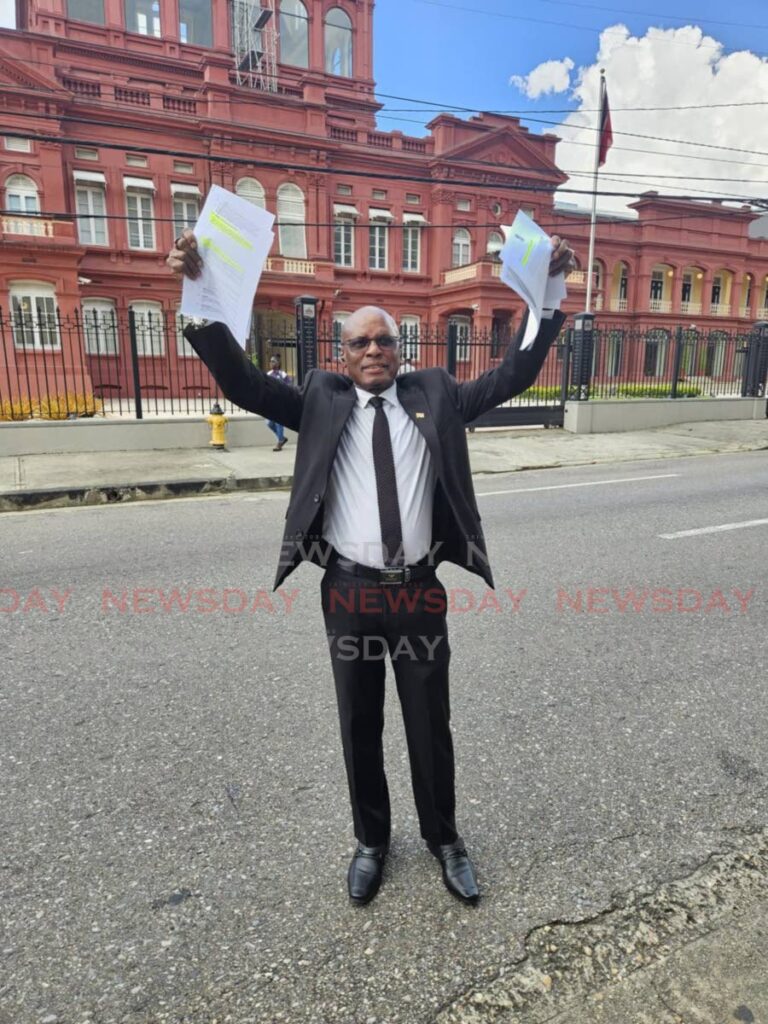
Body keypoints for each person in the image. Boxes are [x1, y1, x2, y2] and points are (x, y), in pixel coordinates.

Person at [167, 229, 575, 907]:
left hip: (417, 593)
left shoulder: (437, 393)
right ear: (343, 356)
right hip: (349, 594)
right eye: (360, 343)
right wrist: (200, 294)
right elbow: (239, 382)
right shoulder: (318, 400)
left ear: (400, 349)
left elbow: (515, 375)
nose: (374, 351)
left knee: (427, 722)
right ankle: (371, 843)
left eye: (384, 340)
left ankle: (445, 839)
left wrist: (549, 294)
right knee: (359, 721)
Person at [266, 353, 290, 451]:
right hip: (272, 402)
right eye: (270, 361)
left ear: (278, 363)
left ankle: (279, 443)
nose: (271, 363)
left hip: (281, 402)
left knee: (278, 422)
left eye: (273, 361)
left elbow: (289, 387)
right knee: (270, 423)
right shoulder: (268, 374)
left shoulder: (283, 375)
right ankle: (282, 438)